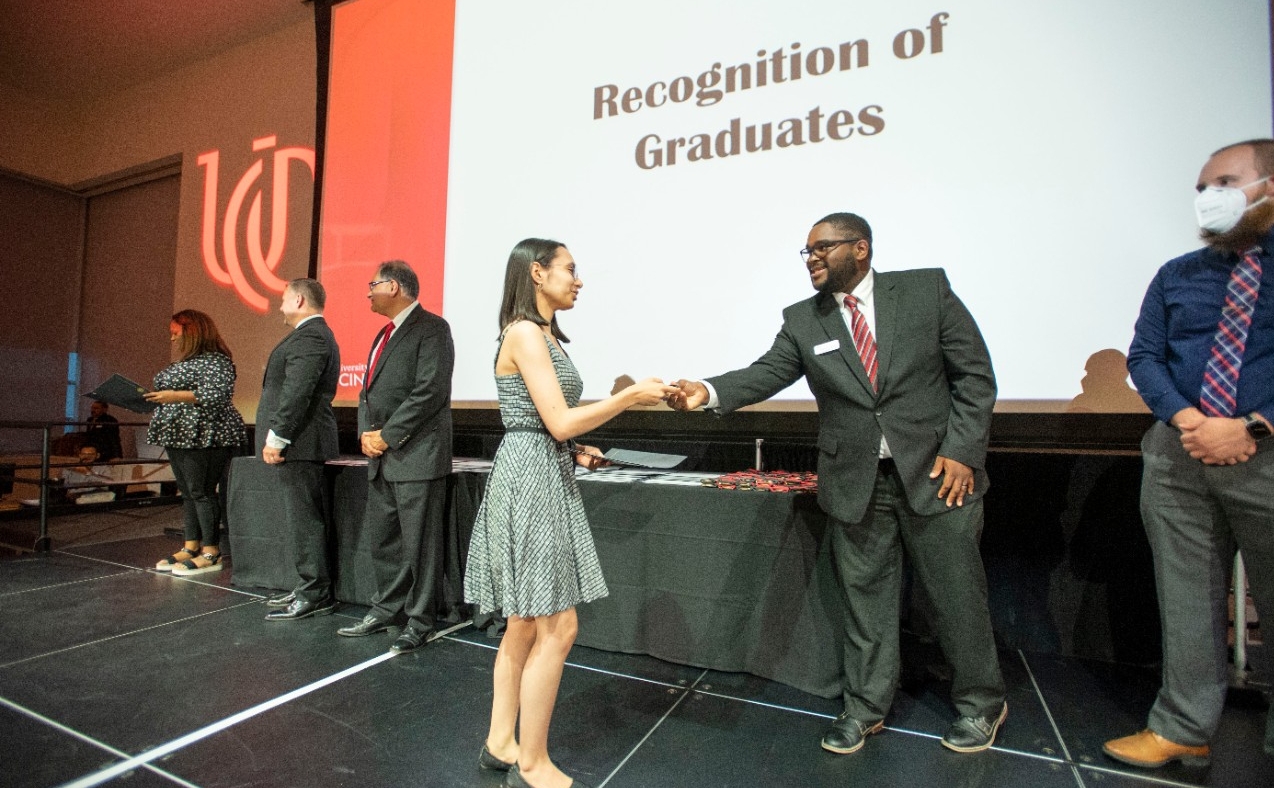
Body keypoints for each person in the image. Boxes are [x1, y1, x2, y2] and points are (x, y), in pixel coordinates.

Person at [669, 212, 1006, 755]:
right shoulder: (805, 319)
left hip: (939, 476)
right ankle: (866, 707)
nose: (812, 259)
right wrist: (706, 391)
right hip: (857, 482)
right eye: (806, 252)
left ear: (861, 248)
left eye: (821, 248)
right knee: (865, 604)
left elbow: (974, 376)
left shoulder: (925, 291)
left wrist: (963, 451)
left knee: (956, 599)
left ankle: (982, 705)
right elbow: (766, 372)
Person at [465, 238, 674, 788]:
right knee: (557, 624)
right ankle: (531, 764)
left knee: (524, 623)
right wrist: (628, 398)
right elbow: (557, 421)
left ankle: (501, 742)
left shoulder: (540, 334)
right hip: (532, 478)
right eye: (570, 270)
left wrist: (580, 445)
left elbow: (547, 420)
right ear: (537, 273)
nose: (578, 280)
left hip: (541, 468)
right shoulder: (526, 332)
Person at [1105, 139, 1274, 768]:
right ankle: (1182, 726)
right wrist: (1189, 418)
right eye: (1202, 188)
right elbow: (1145, 356)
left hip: (1266, 456)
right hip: (1178, 456)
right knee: (1186, 600)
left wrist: (1253, 426)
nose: (1209, 198)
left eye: (1225, 182)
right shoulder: (1179, 272)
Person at [336, 260, 455, 653]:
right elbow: (369, 394)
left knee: (420, 545)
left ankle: (420, 620)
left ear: (394, 287)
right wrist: (366, 440)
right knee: (385, 540)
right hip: (381, 458)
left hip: (416, 456)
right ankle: (386, 609)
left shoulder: (433, 328)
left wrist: (386, 437)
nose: (367, 292)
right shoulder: (381, 335)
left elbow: (429, 391)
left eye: (372, 284)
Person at [257, 278, 341, 622]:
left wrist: (278, 438)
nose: (279, 307)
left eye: (283, 300)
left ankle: (314, 592)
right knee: (302, 520)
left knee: (305, 521)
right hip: (301, 442)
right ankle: (308, 585)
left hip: (301, 442)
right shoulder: (311, 335)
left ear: (300, 300)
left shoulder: (311, 336)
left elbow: (297, 392)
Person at [146, 309, 247, 576]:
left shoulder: (218, 361)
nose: (172, 340)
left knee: (201, 491)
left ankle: (211, 552)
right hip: (179, 434)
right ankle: (191, 545)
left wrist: (173, 396)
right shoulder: (186, 362)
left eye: (175, 333)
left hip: (206, 434)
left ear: (192, 332)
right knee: (188, 492)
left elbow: (215, 395)